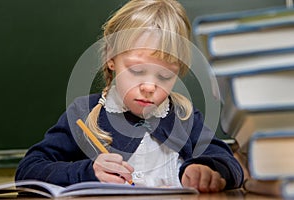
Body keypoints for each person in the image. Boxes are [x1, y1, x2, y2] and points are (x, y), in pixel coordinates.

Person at [15, 0, 243, 193]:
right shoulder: (83, 112)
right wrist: (87, 171)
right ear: (111, 58)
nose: (149, 87)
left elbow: (230, 164)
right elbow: (28, 169)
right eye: (136, 71)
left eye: (165, 76)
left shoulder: (184, 117)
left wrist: (206, 170)